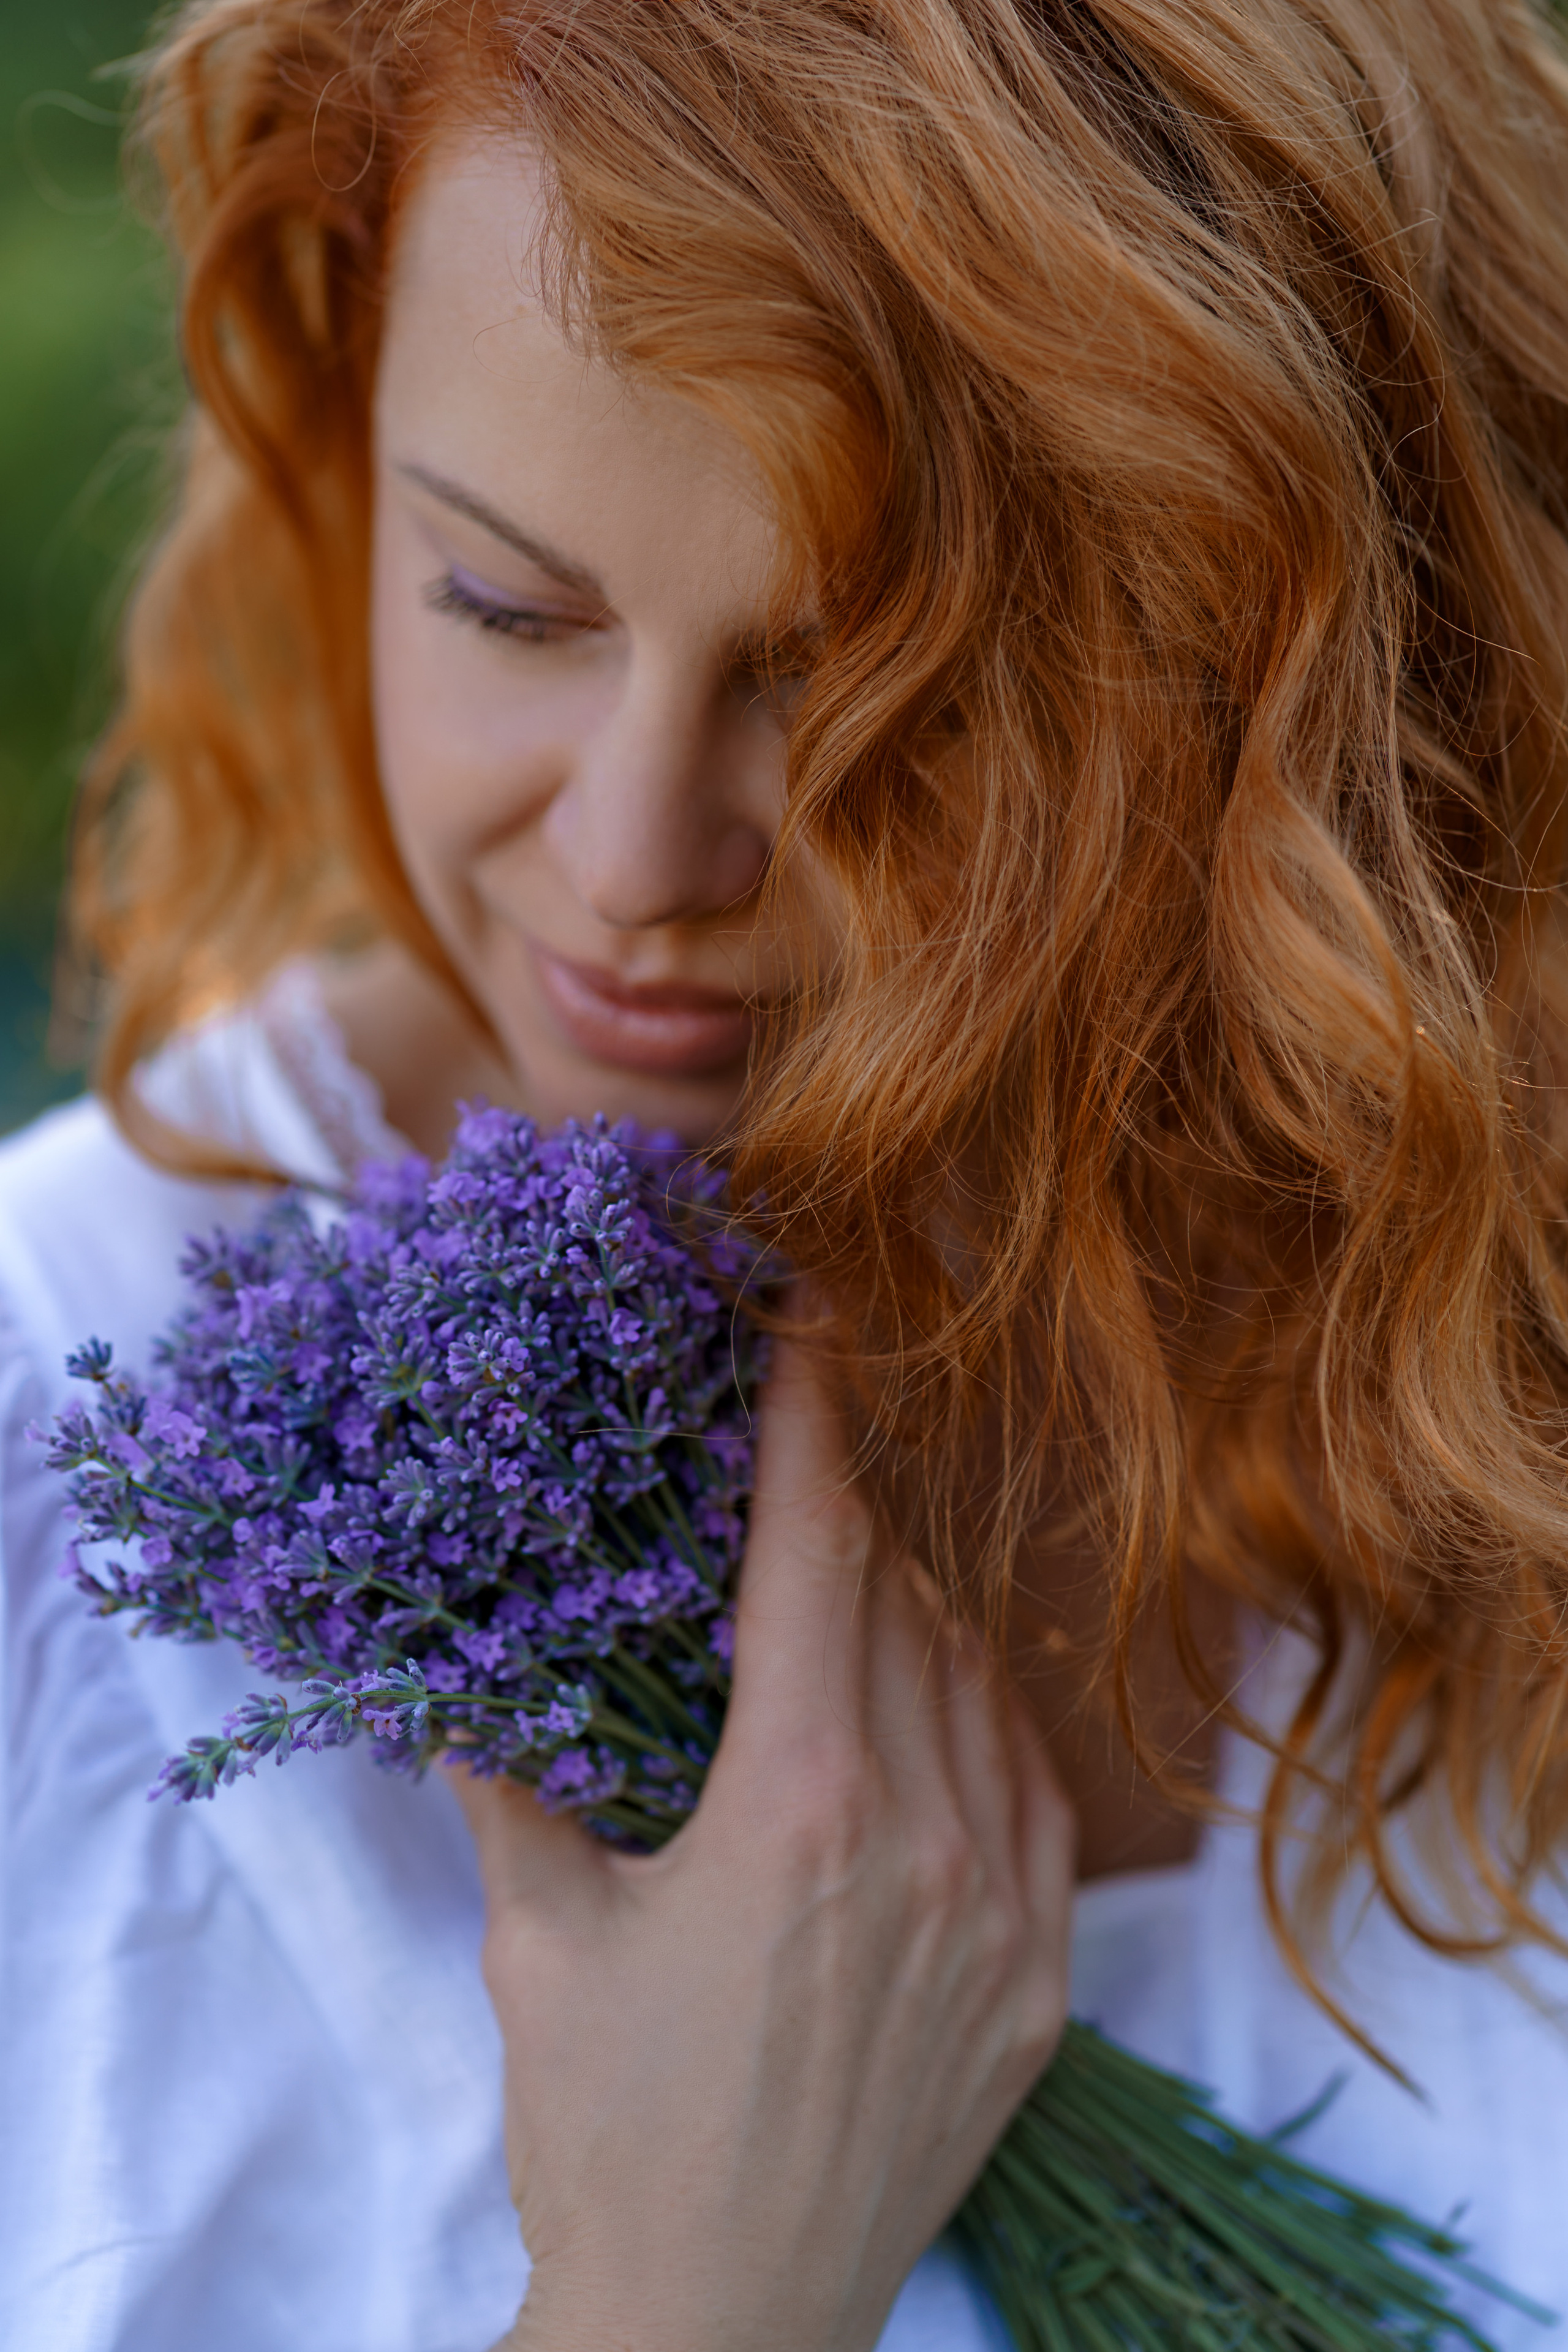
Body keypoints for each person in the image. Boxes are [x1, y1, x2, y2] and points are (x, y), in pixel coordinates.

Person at [5, 0, 1568, 2343]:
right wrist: (686, 2288)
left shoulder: (1496, 1372)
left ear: (1314, 696)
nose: (635, 858)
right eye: (508, 606)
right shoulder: (60, 1466)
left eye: (881, 696)